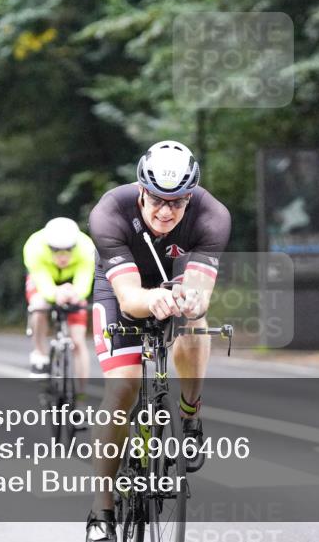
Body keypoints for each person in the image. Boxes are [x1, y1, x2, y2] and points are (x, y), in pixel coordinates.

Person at [84, 140, 230, 542]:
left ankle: (190, 412)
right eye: (157, 201)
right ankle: (102, 511)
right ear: (141, 191)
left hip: (175, 282)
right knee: (123, 389)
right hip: (121, 289)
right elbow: (130, 300)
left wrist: (188, 297)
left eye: (178, 202)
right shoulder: (110, 211)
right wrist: (153, 298)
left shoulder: (212, 216)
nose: (166, 211)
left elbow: (197, 291)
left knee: (194, 321)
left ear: (191, 198)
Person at [23, 217, 94, 385]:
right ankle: (39, 354)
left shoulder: (87, 247)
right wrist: (55, 294)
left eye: (68, 249)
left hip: (72, 284)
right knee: (39, 305)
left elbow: (84, 281)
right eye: (56, 250)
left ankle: (81, 394)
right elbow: (41, 281)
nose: (62, 256)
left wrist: (76, 295)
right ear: (48, 246)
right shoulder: (34, 246)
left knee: (78, 341)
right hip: (46, 280)